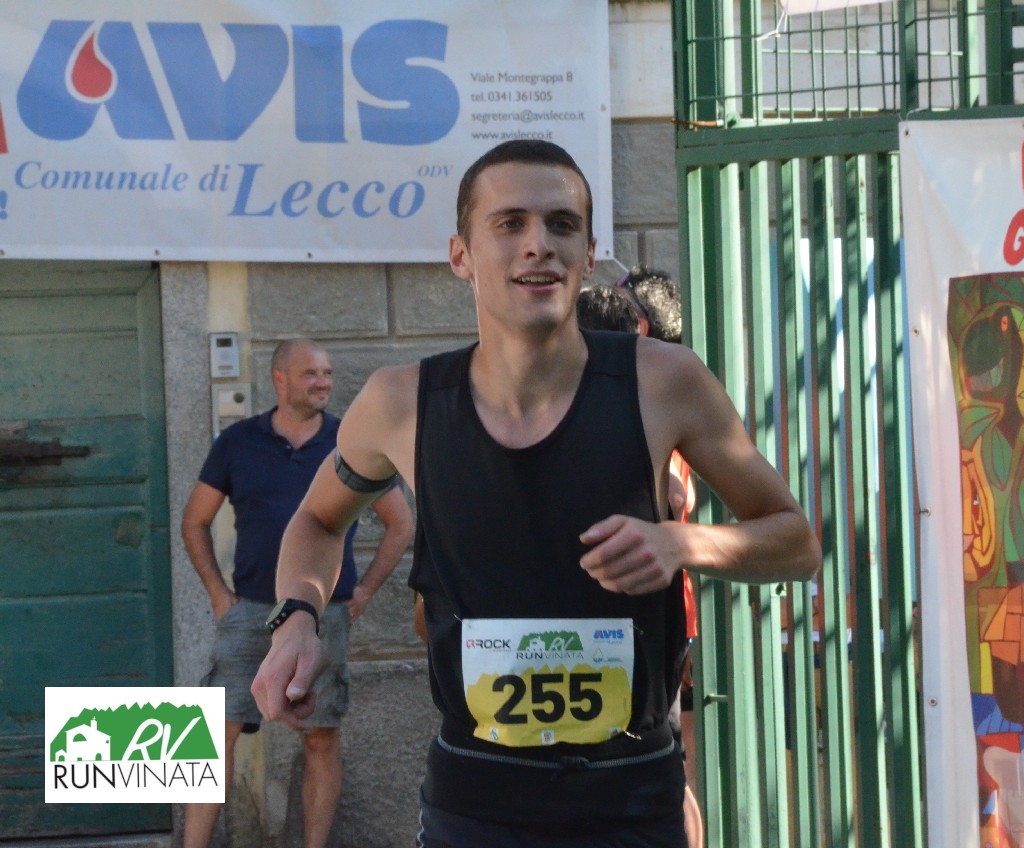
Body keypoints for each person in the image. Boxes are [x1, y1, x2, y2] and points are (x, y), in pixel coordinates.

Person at [251, 140, 821, 847]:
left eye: (561, 225)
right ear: (460, 255)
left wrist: (682, 542)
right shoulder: (403, 402)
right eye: (510, 223)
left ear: (588, 253)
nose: (538, 245)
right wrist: (296, 620)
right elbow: (316, 521)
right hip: (476, 804)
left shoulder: (663, 381)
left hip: (632, 797)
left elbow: (796, 541)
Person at [183, 338, 414, 848]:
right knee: (214, 736)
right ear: (280, 379)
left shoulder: (349, 442)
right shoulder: (237, 442)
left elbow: (400, 523)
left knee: (321, 739)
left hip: (322, 616)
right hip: (249, 613)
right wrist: (219, 595)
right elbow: (194, 520)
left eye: (327, 373)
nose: (324, 383)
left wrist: (365, 590)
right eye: (312, 374)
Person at [578, 274, 704, 848]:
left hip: (651, 620)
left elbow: (677, 498)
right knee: (666, 767)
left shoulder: (656, 406)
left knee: (666, 768)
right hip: (647, 619)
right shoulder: (654, 404)